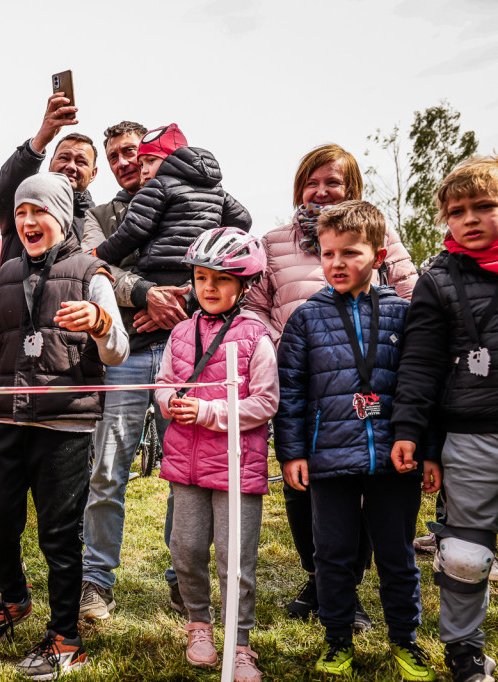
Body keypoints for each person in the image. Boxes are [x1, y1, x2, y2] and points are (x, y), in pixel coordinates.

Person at [0, 172, 129, 680]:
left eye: (37, 211)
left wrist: (102, 325)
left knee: (59, 536)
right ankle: (14, 599)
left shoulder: (93, 274)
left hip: (65, 425)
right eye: (20, 212)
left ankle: (66, 638)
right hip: (6, 417)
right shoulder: (8, 272)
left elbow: (118, 351)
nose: (27, 220)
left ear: (60, 216)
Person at [245, 143, 418, 624]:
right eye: (311, 182)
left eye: (333, 183)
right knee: (305, 490)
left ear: (352, 189)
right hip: (302, 383)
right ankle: (319, 577)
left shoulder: (383, 238)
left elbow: (413, 301)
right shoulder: (273, 242)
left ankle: (347, 587)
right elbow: (255, 307)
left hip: (369, 388)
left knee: (364, 488)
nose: (320, 191)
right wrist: (285, 344)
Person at [276, 201, 433, 680]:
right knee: (333, 556)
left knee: (396, 554)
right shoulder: (305, 319)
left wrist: (427, 450)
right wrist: (293, 452)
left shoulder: (406, 315)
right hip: (329, 459)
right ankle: (337, 639)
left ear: (380, 255)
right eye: (327, 254)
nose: (337, 263)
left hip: (394, 459)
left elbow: (422, 385)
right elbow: (293, 391)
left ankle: (405, 640)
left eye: (350, 252)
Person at [391, 155, 498, 682]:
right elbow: (420, 365)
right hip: (471, 434)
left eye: (485, 206)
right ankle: (465, 653)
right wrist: (413, 433)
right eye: (457, 211)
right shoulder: (436, 280)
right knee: (464, 554)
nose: (470, 219)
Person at [153, 228, 277, 682]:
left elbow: (266, 402)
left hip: (236, 466)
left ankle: (239, 644)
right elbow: (164, 385)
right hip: (185, 464)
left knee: (234, 559)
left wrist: (208, 410)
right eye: (202, 277)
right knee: (185, 550)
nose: (209, 287)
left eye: (221, 280)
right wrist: (169, 403)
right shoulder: (182, 332)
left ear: (243, 286)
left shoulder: (255, 337)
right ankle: (199, 625)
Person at [79, 120, 186, 619]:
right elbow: (94, 265)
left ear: (149, 154)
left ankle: (184, 577)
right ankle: (96, 580)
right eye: (115, 155)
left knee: (184, 472)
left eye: (132, 152)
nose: (125, 162)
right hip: (123, 353)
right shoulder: (99, 213)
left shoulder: (189, 198)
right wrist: (146, 294)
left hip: (185, 351)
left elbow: (216, 261)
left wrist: (179, 299)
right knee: (107, 468)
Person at [93, 124, 252, 284]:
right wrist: (214, 246)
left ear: (173, 158)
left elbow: (132, 231)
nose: (145, 171)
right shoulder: (215, 189)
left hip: (158, 271)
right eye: (141, 164)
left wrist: (98, 254)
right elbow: (243, 220)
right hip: (199, 271)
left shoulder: (158, 186)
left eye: (151, 161)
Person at [0, 92, 98, 264]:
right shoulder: (23, 203)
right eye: (64, 158)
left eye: (81, 161)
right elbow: (1, 196)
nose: (70, 166)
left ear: (93, 174)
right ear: (50, 164)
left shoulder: (98, 222)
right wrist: (41, 139)